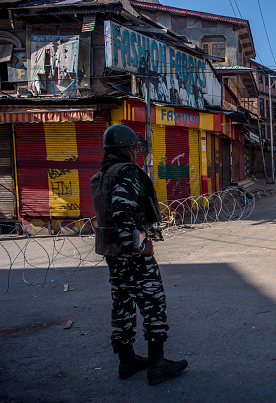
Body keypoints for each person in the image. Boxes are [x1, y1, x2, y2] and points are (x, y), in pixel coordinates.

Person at [90, 125, 187, 385]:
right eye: (134, 148)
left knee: (122, 304)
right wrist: (137, 246)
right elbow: (122, 212)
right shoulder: (126, 172)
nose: (135, 152)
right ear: (126, 149)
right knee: (153, 302)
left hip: (112, 253)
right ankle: (157, 364)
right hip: (131, 254)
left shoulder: (102, 175)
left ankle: (127, 360)